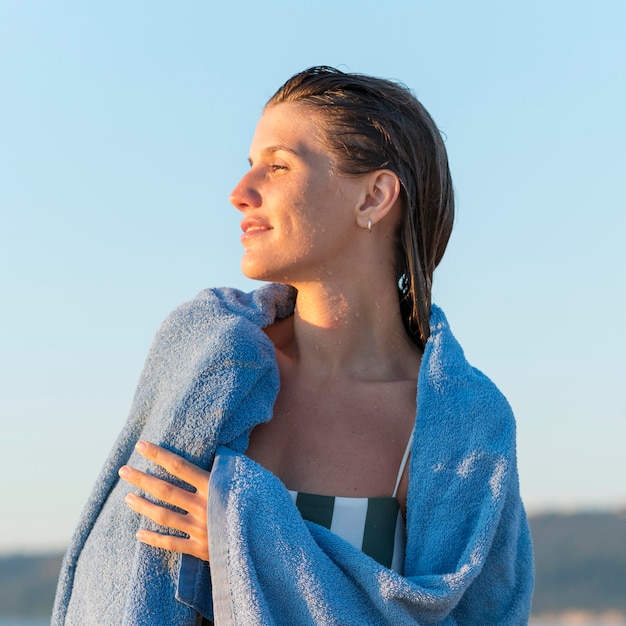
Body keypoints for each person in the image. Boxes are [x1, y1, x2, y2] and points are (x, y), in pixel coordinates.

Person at [53, 66, 534, 625]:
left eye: (277, 166)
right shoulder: (205, 362)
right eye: (249, 165)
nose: (240, 193)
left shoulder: (460, 427)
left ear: (374, 196)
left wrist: (243, 538)